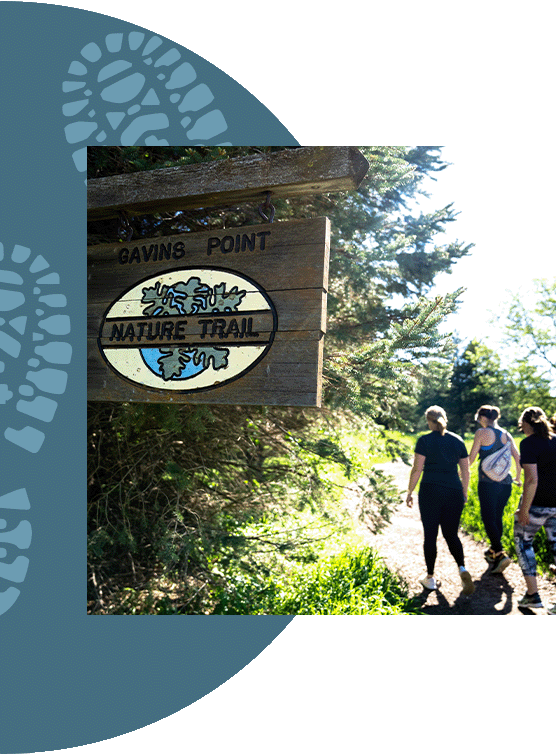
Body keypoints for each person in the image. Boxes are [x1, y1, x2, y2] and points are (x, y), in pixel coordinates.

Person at [406, 405, 474, 595]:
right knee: (451, 534)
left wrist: (410, 491)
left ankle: (430, 578)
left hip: (430, 492)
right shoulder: (458, 440)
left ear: (429, 421)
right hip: (454, 492)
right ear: (444, 419)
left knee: (430, 535)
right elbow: (466, 470)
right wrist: (464, 492)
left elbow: (417, 469)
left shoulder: (424, 440)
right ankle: (462, 568)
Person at [468, 405, 521, 574]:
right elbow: (518, 458)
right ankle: (493, 551)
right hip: (506, 483)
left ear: (483, 417)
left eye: (478, 418)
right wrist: (518, 477)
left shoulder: (481, 433)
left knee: (488, 517)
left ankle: (499, 552)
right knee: (496, 517)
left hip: (487, 482)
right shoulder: (506, 434)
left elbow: (471, 458)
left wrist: (461, 472)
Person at [513, 406, 556, 610]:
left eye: (521, 423)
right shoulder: (555, 439)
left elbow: (531, 480)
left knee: (523, 542)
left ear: (527, 423)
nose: (520, 426)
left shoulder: (529, 443)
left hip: (537, 504)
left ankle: (533, 595)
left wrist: (524, 509)